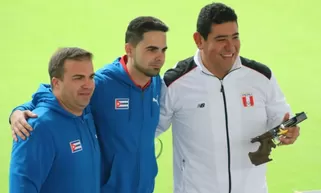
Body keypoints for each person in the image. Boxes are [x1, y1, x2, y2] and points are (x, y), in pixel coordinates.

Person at [9, 16, 168, 193]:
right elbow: (59, 93)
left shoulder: (155, 84)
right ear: (129, 50)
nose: (159, 57)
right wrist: (20, 110)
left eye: (163, 50)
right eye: (152, 50)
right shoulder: (102, 83)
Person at [156, 3, 300, 193]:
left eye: (235, 37)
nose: (230, 47)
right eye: (221, 39)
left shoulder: (261, 77)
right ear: (199, 40)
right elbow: (150, 129)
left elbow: (280, 119)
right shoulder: (175, 83)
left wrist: (288, 131)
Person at [9, 47, 101, 193]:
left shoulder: (86, 114)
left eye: (91, 77)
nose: (88, 85)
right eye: (78, 78)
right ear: (56, 83)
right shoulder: (36, 128)